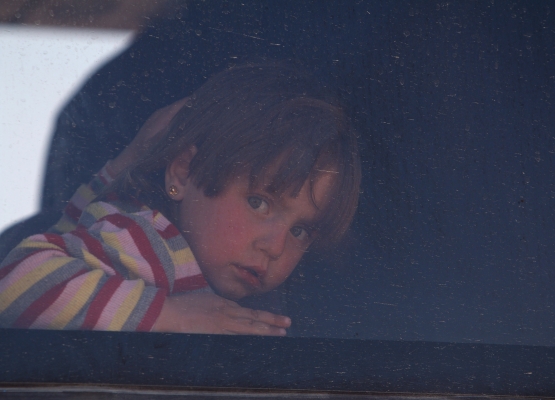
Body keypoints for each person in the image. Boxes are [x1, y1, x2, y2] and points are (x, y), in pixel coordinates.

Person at [0, 64, 361, 335]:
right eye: (258, 203)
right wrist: (169, 316)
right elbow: (15, 285)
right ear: (183, 173)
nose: (276, 247)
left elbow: (70, 230)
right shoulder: (148, 243)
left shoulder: (229, 282)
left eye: (300, 230)